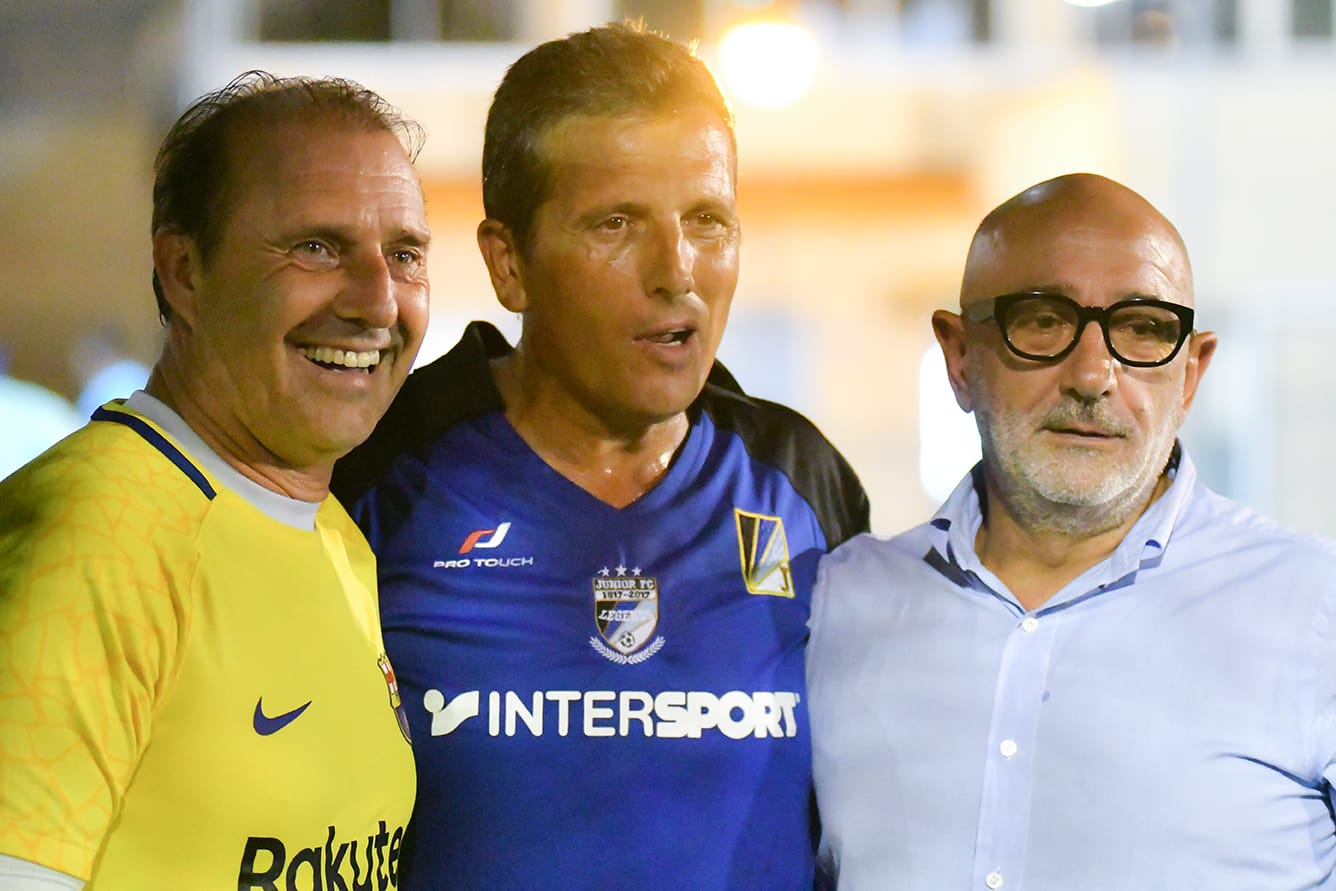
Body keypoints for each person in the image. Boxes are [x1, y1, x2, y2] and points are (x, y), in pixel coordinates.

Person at [333, 21, 869, 891]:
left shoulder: (800, 482)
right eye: (616, 224)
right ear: (510, 265)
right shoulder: (382, 472)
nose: (677, 270)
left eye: (708, 220)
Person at [808, 172, 1336, 889]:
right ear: (960, 357)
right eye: (1043, 320)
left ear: (1190, 374)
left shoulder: (1314, 611)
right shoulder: (838, 604)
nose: (1093, 374)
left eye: (1144, 328)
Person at [0, 71, 431, 890]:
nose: (379, 300)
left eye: (404, 254)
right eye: (316, 246)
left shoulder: (339, 539)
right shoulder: (97, 531)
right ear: (184, 271)